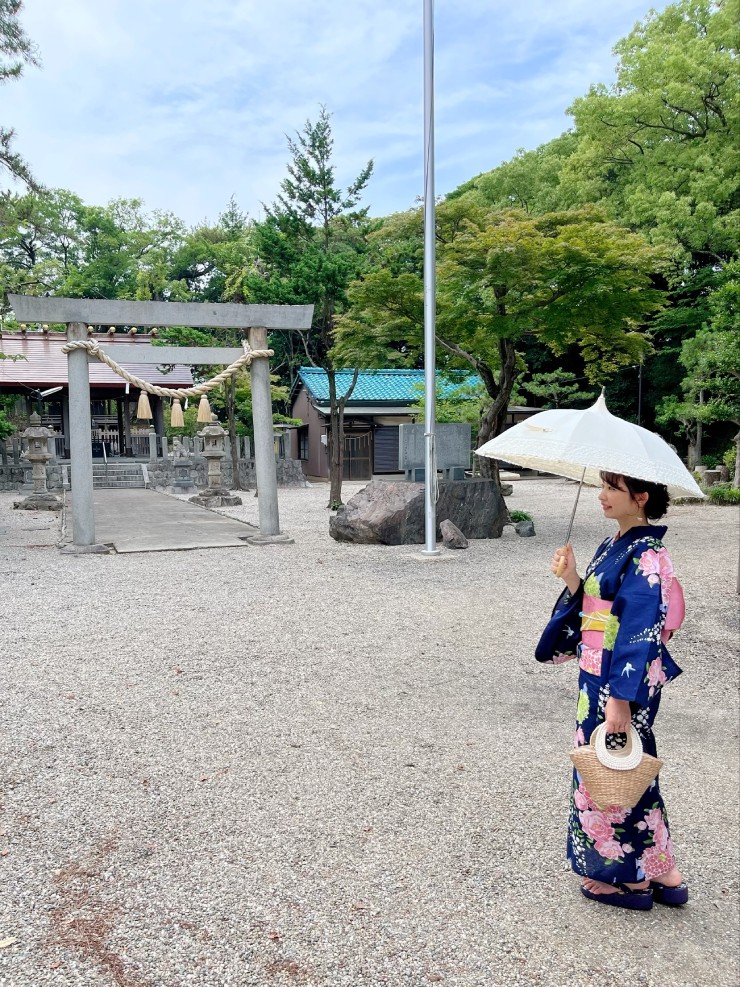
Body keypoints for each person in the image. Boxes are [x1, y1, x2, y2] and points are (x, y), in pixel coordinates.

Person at [536, 471, 689, 910]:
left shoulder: (647, 552)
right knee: (627, 765)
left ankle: (629, 882)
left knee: (609, 771)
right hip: (600, 674)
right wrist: (571, 580)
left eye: (613, 489)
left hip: (617, 680)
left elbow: (639, 625)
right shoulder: (616, 544)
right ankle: (663, 872)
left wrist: (620, 697)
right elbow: (594, 607)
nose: (601, 496)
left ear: (640, 498)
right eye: (602, 486)